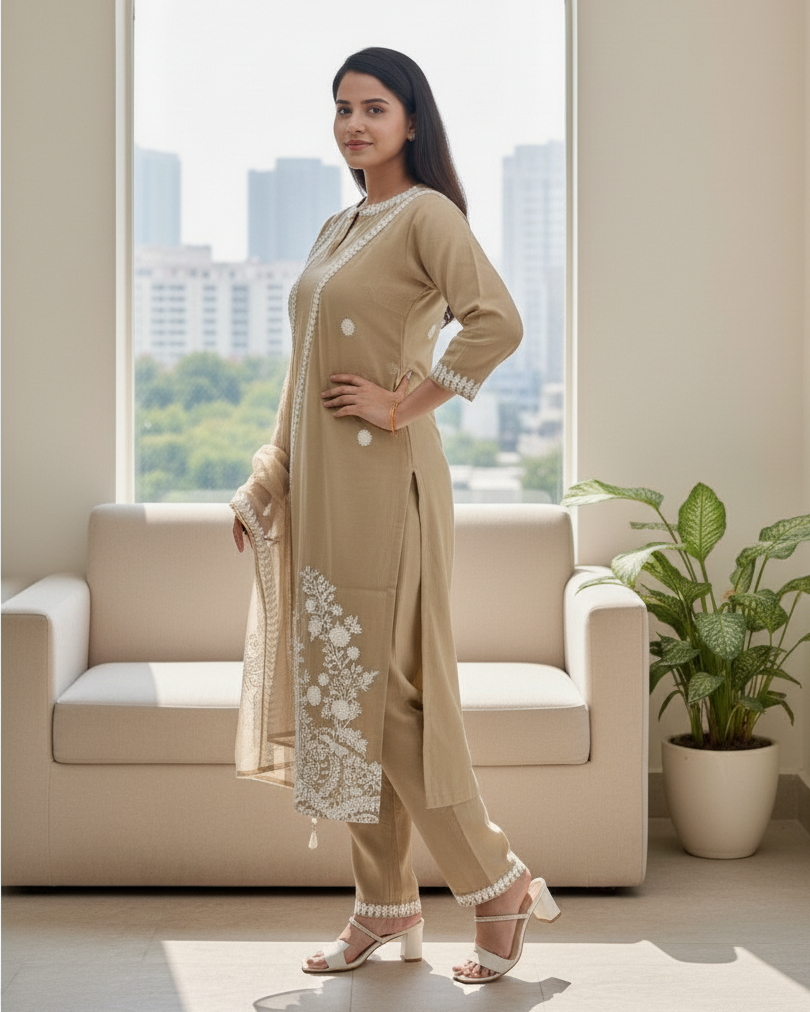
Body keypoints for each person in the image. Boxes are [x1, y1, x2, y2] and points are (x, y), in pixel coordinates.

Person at [230, 46, 560, 984]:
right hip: (325, 498)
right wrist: (267, 486)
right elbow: (299, 384)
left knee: (393, 706)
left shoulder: (427, 215)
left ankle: (495, 884)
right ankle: (387, 907)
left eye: (374, 107)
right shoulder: (339, 226)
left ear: (412, 120)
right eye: (342, 108)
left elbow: (495, 318)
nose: (354, 124)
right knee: (344, 701)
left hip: (389, 493)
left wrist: (403, 402)